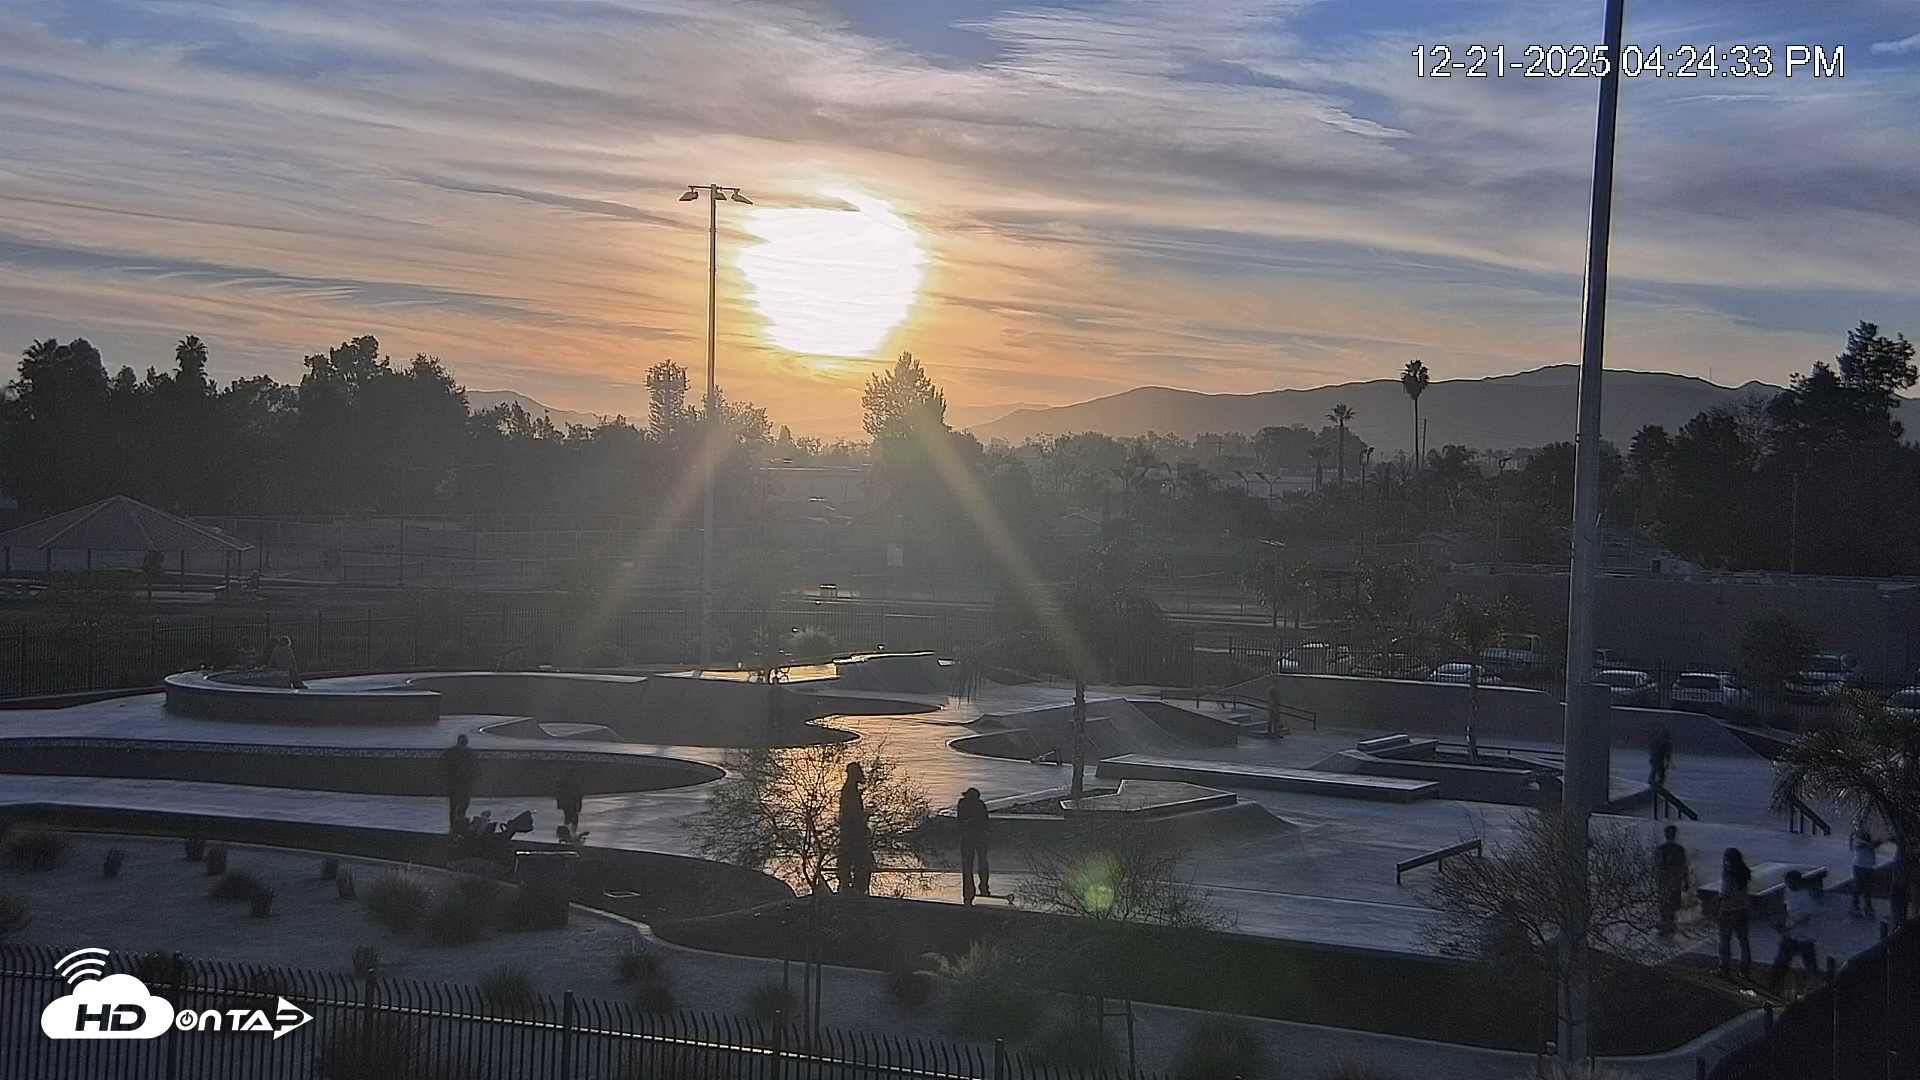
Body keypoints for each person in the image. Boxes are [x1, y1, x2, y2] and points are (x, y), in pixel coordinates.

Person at [1767, 870, 1821, 995]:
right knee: (1780, 965)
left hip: (1803, 938)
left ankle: (1818, 990)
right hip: (1791, 937)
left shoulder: (1805, 896)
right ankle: (1771, 989)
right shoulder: (1787, 892)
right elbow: (1785, 909)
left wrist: (1789, 927)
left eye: (1789, 880)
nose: (1787, 883)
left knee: (1810, 966)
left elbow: (1806, 917)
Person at [1717, 847, 1754, 980]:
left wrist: (1717, 899)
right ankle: (1744, 971)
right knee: (1743, 941)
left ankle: (1724, 969)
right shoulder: (1744, 872)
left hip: (1728, 910)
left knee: (1724, 941)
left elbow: (1726, 892)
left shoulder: (1727, 873)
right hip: (1743, 910)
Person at [836, 761, 872, 895]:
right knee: (857, 858)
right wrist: (864, 817)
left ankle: (850, 885)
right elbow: (851, 814)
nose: (862, 775)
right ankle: (854, 888)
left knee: (850, 857)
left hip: (850, 831)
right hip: (852, 832)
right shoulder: (850, 791)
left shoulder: (850, 789)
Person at [957, 787, 991, 905]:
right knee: (982, 860)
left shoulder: (963, 803)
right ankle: (984, 886)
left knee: (967, 865)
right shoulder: (981, 804)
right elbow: (986, 822)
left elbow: (960, 820)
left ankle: (969, 892)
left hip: (968, 836)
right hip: (981, 835)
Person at [1654, 825, 1690, 936]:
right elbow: (1683, 866)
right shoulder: (1679, 849)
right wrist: (1685, 880)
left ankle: (1665, 925)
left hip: (1664, 880)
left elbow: (1657, 866)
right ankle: (1669, 925)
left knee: (1664, 903)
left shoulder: (1660, 849)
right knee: (1672, 903)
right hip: (1675, 880)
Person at [442, 734, 478, 834]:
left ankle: (453, 825)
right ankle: (460, 823)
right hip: (465, 783)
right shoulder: (470, 753)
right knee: (463, 804)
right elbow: (475, 768)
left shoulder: (450, 752)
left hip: (453, 783)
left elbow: (443, 766)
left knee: (453, 805)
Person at [1849, 825, 1881, 918]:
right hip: (1860, 867)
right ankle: (1855, 904)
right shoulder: (1860, 843)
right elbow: (1869, 845)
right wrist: (1878, 842)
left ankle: (1867, 906)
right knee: (1859, 885)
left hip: (1868, 867)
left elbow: (1872, 845)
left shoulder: (1866, 844)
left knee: (1868, 887)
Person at [555, 768, 584, 835]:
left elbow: (559, 794)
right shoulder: (575, 783)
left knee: (567, 817)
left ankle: (566, 832)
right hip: (573, 803)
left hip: (565, 803)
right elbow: (578, 795)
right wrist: (579, 805)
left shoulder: (562, 783)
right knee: (574, 818)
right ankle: (572, 832)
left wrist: (559, 803)